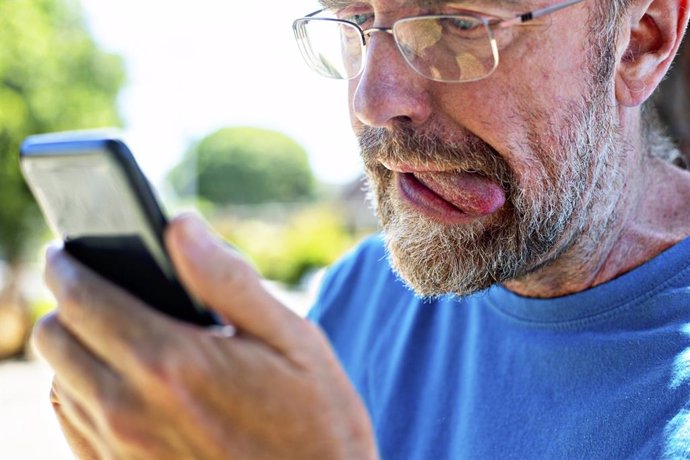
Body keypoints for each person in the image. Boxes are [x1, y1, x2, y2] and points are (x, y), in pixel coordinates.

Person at [32, 0, 690, 457]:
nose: (372, 100)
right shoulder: (361, 295)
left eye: (458, 24)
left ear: (640, 41)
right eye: (354, 23)